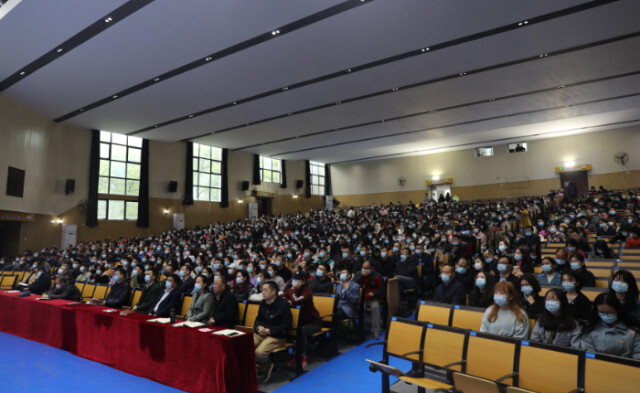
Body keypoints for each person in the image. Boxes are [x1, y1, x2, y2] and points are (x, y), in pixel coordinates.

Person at [580, 293, 640, 359]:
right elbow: (588, 353)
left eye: (609, 312)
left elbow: (637, 355)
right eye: (602, 312)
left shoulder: (633, 330)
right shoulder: (590, 329)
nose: (605, 315)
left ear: (617, 310)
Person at [254, 281, 293, 382]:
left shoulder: (283, 305)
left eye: (265, 290)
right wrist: (258, 327)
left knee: (259, 352)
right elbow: (258, 319)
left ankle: (267, 364)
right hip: (262, 332)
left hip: (277, 335)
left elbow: (287, 326)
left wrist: (270, 331)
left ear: (274, 291)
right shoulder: (263, 302)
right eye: (262, 290)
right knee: (244, 344)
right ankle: (253, 369)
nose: (263, 292)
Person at [281, 272, 321, 367]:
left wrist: (292, 292)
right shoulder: (292, 290)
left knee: (301, 332)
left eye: (296, 281)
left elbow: (296, 301)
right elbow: (281, 298)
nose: (293, 283)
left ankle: (302, 356)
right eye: (293, 280)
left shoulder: (307, 291)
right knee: (289, 329)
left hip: (313, 322)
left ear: (302, 282)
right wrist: (288, 297)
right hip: (299, 322)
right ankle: (293, 355)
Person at [353, 261, 383, 339]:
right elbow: (352, 284)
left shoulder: (377, 276)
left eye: (367, 268)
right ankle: (360, 329)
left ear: (372, 269)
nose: (364, 270)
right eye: (363, 268)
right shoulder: (358, 274)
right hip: (362, 297)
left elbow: (382, 290)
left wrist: (374, 293)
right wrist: (361, 276)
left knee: (375, 307)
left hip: (373, 298)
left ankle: (376, 331)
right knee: (359, 309)